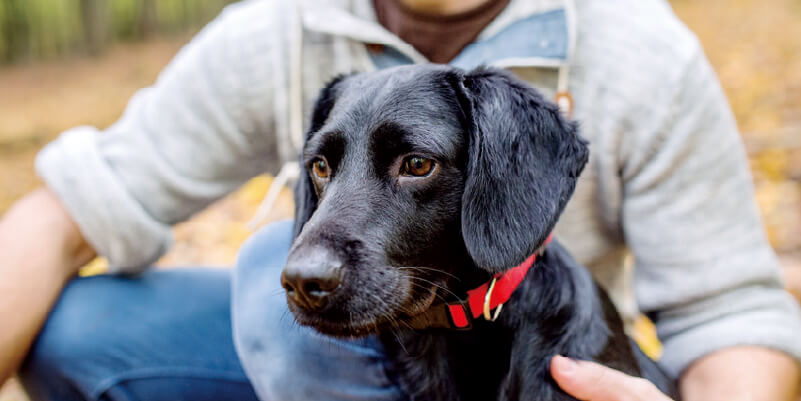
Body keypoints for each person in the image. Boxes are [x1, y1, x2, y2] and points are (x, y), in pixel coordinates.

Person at [1, 0, 800, 400]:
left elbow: (729, 312)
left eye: (413, 162)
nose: (317, 239)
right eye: (324, 169)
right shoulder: (274, 29)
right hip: (344, 343)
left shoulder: (641, 50)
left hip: (522, 348)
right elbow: (64, 210)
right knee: (106, 318)